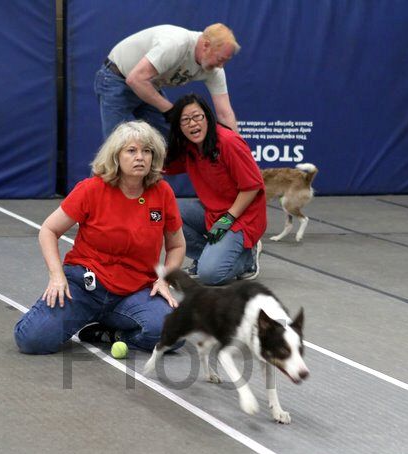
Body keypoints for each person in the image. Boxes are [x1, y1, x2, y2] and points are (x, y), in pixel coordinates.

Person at [14, 121, 185, 354]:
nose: (141, 157)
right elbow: (49, 230)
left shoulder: (162, 193)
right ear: (116, 156)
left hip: (134, 291)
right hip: (84, 285)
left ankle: (109, 333)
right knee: (31, 340)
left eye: (147, 151)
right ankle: (78, 316)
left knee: (174, 335)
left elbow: (176, 245)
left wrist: (163, 280)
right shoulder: (91, 189)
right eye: (132, 151)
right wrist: (56, 276)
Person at [164, 93, 266, 286]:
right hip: (212, 213)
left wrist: (228, 218)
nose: (192, 124)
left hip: (243, 217)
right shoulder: (189, 147)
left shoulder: (228, 142)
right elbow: (163, 166)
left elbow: (252, 186)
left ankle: (248, 259)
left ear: (207, 117)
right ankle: (209, 256)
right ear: (179, 127)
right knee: (167, 211)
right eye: (185, 120)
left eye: (197, 116)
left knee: (210, 275)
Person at [94, 23, 240, 139]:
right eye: (220, 59)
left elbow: (225, 113)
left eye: (225, 61)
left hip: (147, 86)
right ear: (206, 45)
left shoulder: (214, 69)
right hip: (117, 79)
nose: (221, 66)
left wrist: (240, 150)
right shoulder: (176, 44)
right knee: (117, 148)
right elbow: (135, 79)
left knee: (171, 140)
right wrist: (170, 111)